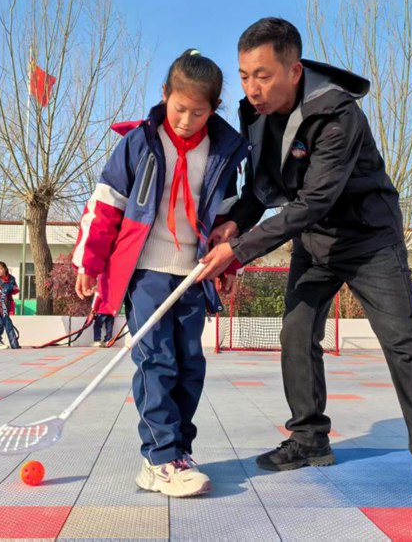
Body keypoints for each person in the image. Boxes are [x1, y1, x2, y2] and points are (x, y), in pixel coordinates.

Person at [197, 18, 412, 514]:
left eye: (262, 75)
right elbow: (264, 190)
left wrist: (238, 253)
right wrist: (235, 226)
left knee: (405, 342)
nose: (251, 89)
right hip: (316, 240)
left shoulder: (337, 113)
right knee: (296, 333)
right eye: (243, 75)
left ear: (294, 69)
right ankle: (309, 439)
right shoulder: (254, 115)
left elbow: (316, 199)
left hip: (369, 240)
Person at [72, 50, 247, 498]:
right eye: (179, 109)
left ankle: (179, 452)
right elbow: (106, 204)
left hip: (193, 275)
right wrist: (89, 263)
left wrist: (228, 263)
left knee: (190, 364)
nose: (188, 120)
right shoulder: (139, 143)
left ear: (214, 108)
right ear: (164, 96)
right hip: (146, 272)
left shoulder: (224, 151)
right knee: (156, 360)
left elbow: (226, 215)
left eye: (200, 111)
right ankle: (159, 458)